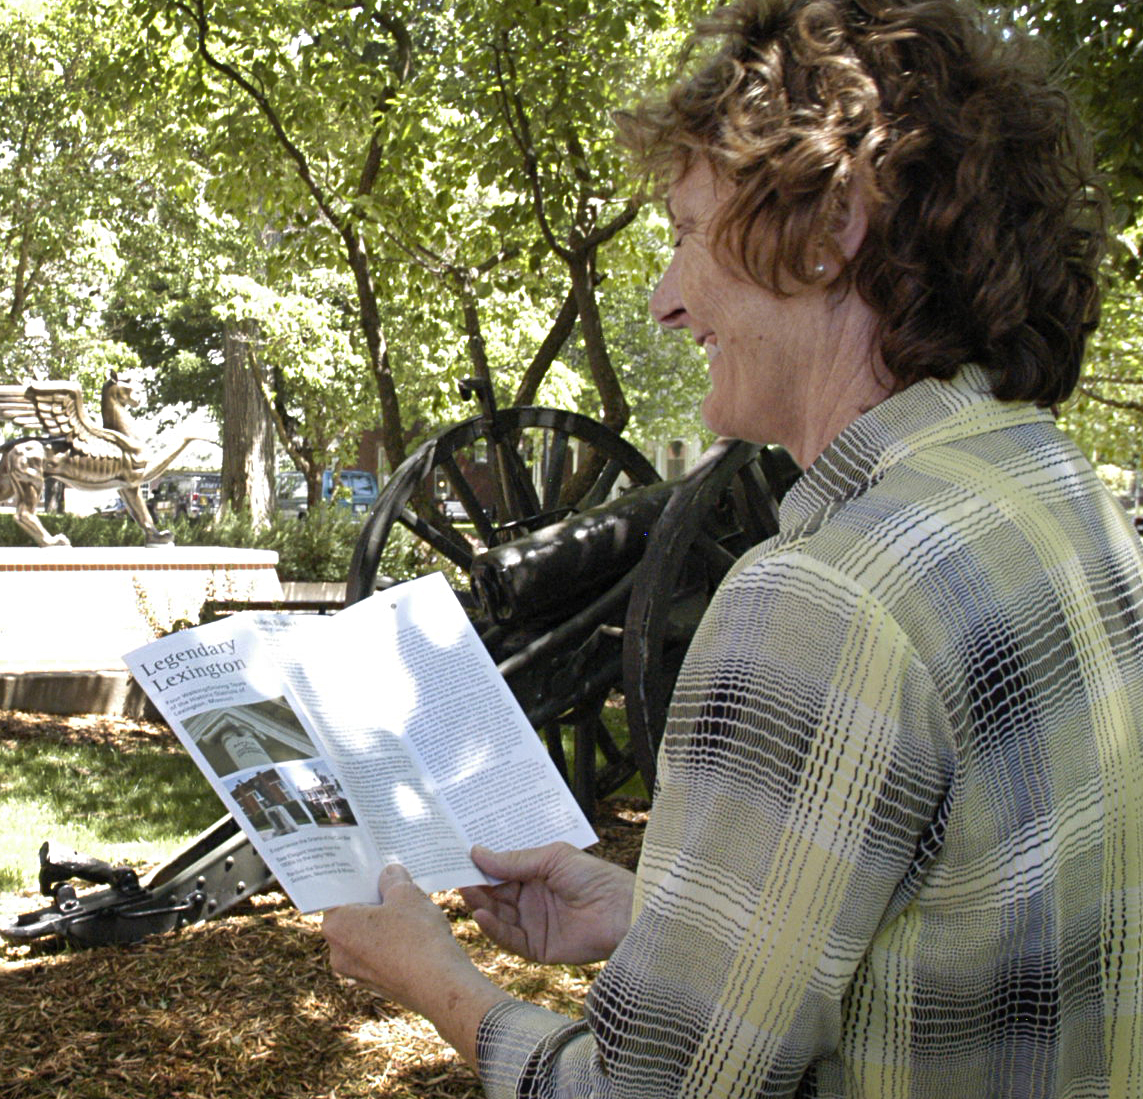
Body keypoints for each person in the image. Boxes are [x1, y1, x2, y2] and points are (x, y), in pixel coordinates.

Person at [322, 1, 1143, 1095]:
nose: (666, 302)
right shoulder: (1052, 490)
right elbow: (967, 914)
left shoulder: (817, 603)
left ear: (830, 221)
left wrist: (442, 988)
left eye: (683, 232)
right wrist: (664, 912)